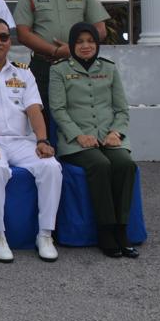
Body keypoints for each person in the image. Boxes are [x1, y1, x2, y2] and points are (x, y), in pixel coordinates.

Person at [0, 17, 61, 263]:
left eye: (3, 37)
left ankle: (45, 234)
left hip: (20, 140)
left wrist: (42, 140)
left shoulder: (23, 72)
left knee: (51, 167)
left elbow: (34, 109)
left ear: (9, 41)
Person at [49, 22, 139, 259]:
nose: (86, 46)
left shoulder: (108, 68)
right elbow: (58, 110)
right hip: (76, 140)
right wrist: (79, 135)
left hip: (109, 137)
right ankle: (106, 230)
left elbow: (121, 109)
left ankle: (122, 229)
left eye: (90, 41)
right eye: (79, 42)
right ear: (71, 45)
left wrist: (116, 133)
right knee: (100, 165)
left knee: (125, 164)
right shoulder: (58, 70)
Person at [14, 0, 109, 96]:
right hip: (43, 66)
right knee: (43, 113)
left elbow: (101, 30)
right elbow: (23, 34)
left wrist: (73, 49)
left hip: (79, 64)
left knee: (80, 113)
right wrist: (55, 51)